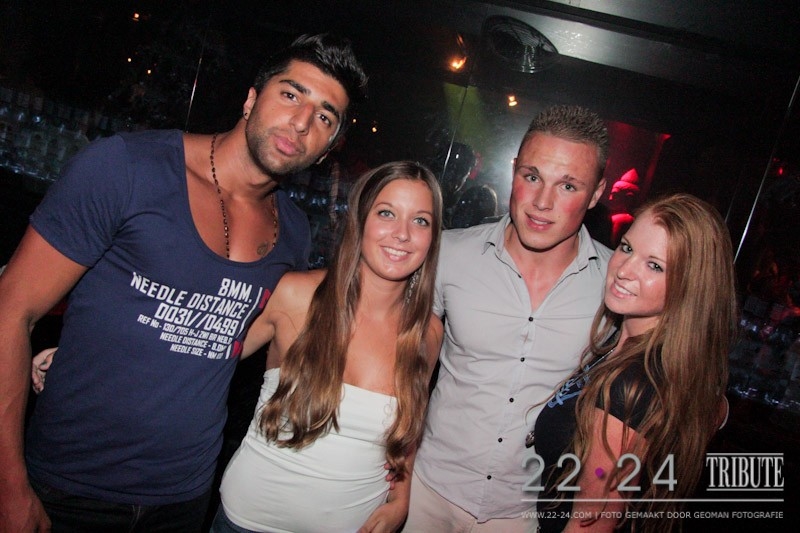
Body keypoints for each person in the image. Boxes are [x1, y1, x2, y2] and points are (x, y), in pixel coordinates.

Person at [0, 33, 367, 532]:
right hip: (68, 488)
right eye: (290, 94)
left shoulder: (294, 232)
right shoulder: (126, 167)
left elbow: (222, 335)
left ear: (327, 149)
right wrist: (10, 486)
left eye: (325, 117)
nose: (302, 121)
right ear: (251, 99)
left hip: (185, 496)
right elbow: (11, 310)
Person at [403, 104, 613, 532]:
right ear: (515, 171)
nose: (542, 202)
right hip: (426, 489)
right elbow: (402, 365)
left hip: (521, 512)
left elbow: (672, 375)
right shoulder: (450, 253)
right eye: (532, 177)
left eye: (567, 185)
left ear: (595, 194)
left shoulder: (616, 284)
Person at [207, 161, 443, 532]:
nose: (402, 234)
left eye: (421, 221)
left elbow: (409, 433)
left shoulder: (427, 332)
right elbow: (202, 363)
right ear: (360, 220)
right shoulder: (294, 295)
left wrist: (400, 499)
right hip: (248, 523)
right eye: (386, 213)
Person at [532, 193, 736, 532]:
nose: (623, 270)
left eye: (654, 266)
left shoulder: (630, 383)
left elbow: (592, 525)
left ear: (689, 286)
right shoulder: (653, 359)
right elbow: (717, 409)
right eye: (626, 248)